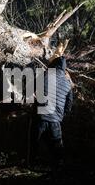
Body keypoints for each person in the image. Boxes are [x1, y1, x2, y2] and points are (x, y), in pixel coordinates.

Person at [29, 44, 73, 173]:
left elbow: (31, 91)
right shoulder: (68, 83)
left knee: (33, 147)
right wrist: (59, 116)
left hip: (40, 118)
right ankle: (57, 174)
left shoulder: (45, 75)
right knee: (57, 152)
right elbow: (69, 105)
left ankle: (30, 167)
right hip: (56, 122)